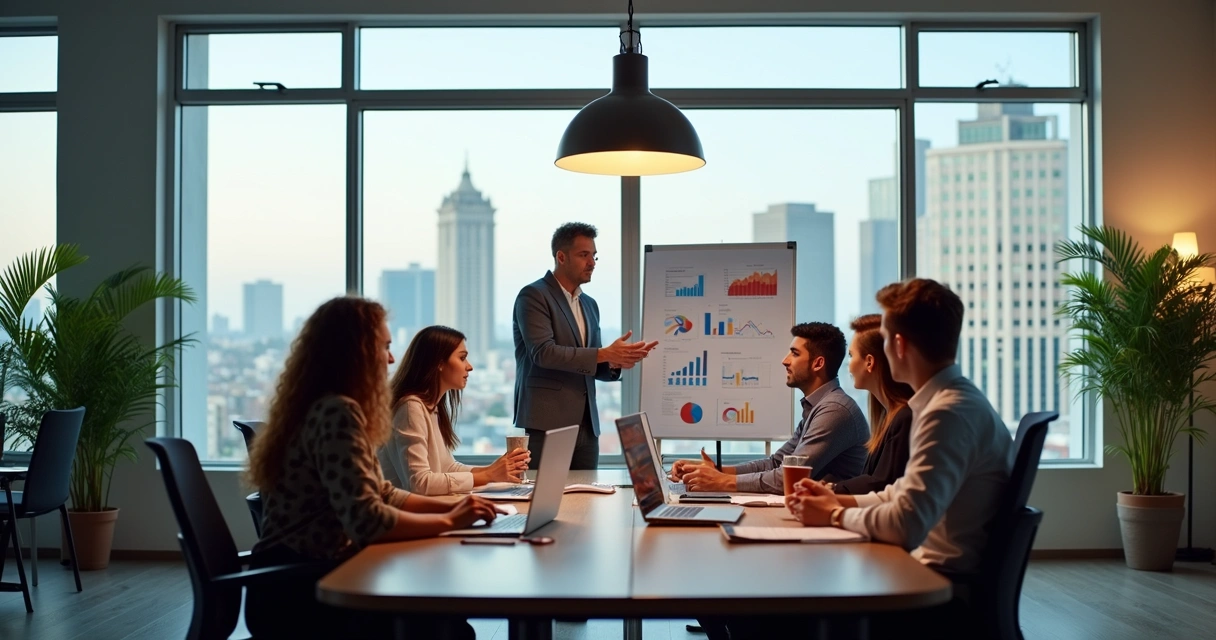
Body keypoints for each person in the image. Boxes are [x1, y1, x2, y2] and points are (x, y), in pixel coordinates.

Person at [244, 297, 501, 639]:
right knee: (446, 625)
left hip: (305, 575)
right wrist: (449, 521)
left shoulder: (322, 407)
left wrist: (454, 506)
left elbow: (383, 493)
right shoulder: (337, 412)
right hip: (302, 588)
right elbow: (367, 520)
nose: (392, 358)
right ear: (354, 352)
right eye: (384, 347)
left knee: (448, 621)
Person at [513, 222, 657, 469]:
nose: (592, 262)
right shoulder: (534, 296)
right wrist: (604, 353)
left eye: (594, 256)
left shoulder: (589, 304)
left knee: (586, 501)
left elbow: (590, 361)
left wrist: (614, 361)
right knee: (546, 503)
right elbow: (543, 354)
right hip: (547, 424)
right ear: (561, 256)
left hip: (588, 428)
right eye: (584, 255)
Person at [670, 322, 869, 494]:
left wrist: (722, 481)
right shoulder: (819, 406)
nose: (785, 360)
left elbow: (787, 479)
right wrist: (716, 470)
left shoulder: (834, 410)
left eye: (794, 353)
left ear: (818, 364)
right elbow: (776, 463)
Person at [380, 325, 531, 495]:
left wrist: (496, 470)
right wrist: (489, 475)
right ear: (439, 363)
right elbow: (420, 483)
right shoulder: (410, 407)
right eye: (462, 358)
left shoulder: (430, 407)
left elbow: (448, 467)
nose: (469, 366)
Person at [831, 313, 915, 496]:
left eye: (852, 355)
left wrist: (832, 490)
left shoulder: (905, 418)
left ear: (869, 362)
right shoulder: (890, 417)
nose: (849, 365)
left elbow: (882, 484)